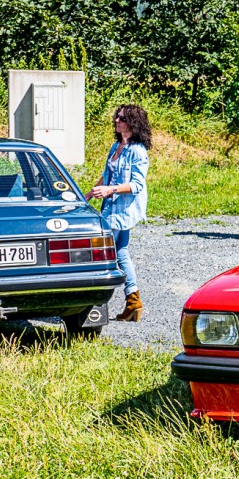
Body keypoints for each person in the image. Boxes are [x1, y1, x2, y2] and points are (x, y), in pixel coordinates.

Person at [86, 104, 151, 322]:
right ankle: (133, 302)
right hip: (109, 208)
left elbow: (136, 185)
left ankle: (91, 305)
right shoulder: (116, 146)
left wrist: (110, 190)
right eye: (117, 117)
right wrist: (87, 195)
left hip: (121, 212)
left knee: (99, 254)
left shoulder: (138, 151)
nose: (117, 121)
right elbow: (107, 176)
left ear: (132, 122)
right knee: (121, 252)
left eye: (122, 118)